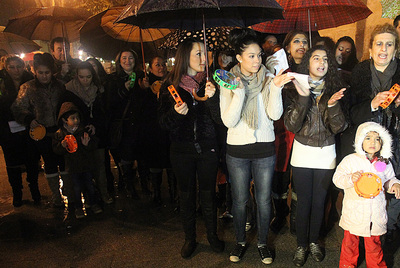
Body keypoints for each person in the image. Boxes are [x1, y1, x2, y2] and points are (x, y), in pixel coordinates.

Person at [220, 28, 294, 264]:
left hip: (264, 149)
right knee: (240, 200)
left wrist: (276, 88)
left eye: (259, 55)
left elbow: (274, 114)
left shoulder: (270, 78)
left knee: (263, 200)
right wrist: (239, 93)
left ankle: (263, 243)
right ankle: (240, 241)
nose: (256, 60)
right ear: (239, 58)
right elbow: (228, 121)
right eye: (250, 56)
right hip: (237, 150)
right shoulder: (228, 81)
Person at [158, 38, 224, 258]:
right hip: (181, 149)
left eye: (206, 53)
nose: (204, 59)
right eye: (198, 54)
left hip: (207, 148)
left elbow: (220, 119)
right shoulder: (169, 85)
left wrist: (212, 98)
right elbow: (161, 123)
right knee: (186, 195)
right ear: (185, 56)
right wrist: (175, 115)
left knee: (208, 194)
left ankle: (213, 235)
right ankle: (190, 238)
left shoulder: (212, 82)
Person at [284, 45, 348, 267]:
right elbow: (291, 124)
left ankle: (313, 242)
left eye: (325, 59)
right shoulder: (294, 89)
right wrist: (303, 98)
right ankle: (301, 245)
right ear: (307, 63)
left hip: (326, 152)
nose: (321, 62)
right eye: (316, 58)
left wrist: (332, 105)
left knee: (320, 202)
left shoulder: (335, 88)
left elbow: (339, 127)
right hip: (302, 150)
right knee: (304, 202)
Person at [344, 23, 400, 244]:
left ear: (395, 50)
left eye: (389, 44)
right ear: (370, 49)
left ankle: (388, 238)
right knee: (367, 192)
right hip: (368, 148)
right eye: (379, 44)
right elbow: (351, 115)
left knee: (394, 191)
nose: (383, 49)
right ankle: (363, 239)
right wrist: (372, 105)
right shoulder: (359, 73)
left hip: (395, 144)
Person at [333, 122, 400, 267]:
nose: (373, 142)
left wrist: (394, 184)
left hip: (374, 213)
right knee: (350, 244)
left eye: (377, 139)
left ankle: (376, 265)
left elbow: (388, 180)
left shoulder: (384, 163)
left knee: (374, 245)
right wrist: (350, 179)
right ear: (359, 140)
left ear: (383, 143)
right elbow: (337, 179)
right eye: (368, 138)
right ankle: (347, 265)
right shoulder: (351, 160)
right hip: (354, 212)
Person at [12, 53, 74, 208]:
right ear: (35, 72)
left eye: (47, 73)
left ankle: (68, 190)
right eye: (41, 73)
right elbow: (18, 107)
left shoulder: (60, 85)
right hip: (42, 132)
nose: (44, 76)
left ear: (51, 72)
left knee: (64, 161)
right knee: (50, 163)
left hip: (60, 130)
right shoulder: (27, 88)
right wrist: (28, 120)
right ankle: (56, 195)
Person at [61, 61, 113, 204]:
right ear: (76, 76)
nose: (85, 80)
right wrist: (81, 127)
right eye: (81, 77)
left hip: (97, 134)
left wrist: (96, 125)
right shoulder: (69, 91)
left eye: (88, 77)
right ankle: (89, 198)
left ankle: (104, 193)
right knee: (83, 168)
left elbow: (104, 112)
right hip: (78, 134)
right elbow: (66, 113)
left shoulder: (99, 90)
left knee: (100, 165)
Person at [104, 48, 149, 199]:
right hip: (124, 126)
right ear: (119, 61)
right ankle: (130, 187)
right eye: (124, 58)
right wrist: (123, 90)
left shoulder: (142, 77)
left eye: (130, 58)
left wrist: (144, 89)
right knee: (127, 158)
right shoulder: (113, 79)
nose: (127, 61)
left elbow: (146, 102)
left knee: (142, 157)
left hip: (140, 125)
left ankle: (145, 185)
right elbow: (110, 103)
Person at [0, 55, 40, 207]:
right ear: (6, 68)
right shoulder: (2, 83)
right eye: (12, 67)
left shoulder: (31, 81)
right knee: (12, 163)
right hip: (7, 129)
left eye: (19, 66)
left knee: (32, 160)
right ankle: (17, 193)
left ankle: (34, 189)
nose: (16, 70)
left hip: (28, 126)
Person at [53, 102, 103, 219]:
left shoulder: (83, 130)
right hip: (72, 167)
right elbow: (56, 150)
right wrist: (62, 146)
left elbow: (94, 144)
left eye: (77, 118)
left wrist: (87, 144)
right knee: (76, 188)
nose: (76, 120)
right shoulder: (60, 134)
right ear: (65, 120)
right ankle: (78, 207)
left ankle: (93, 203)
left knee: (90, 185)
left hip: (86, 165)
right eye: (73, 118)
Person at [142, 56, 177, 205]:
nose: (161, 67)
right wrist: (146, 91)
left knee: (171, 163)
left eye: (163, 64)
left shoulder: (172, 82)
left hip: (168, 130)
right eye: (157, 65)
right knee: (155, 163)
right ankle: (156, 194)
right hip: (153, 131)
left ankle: (174, 194)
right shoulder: (145, 84)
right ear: (150, 68)